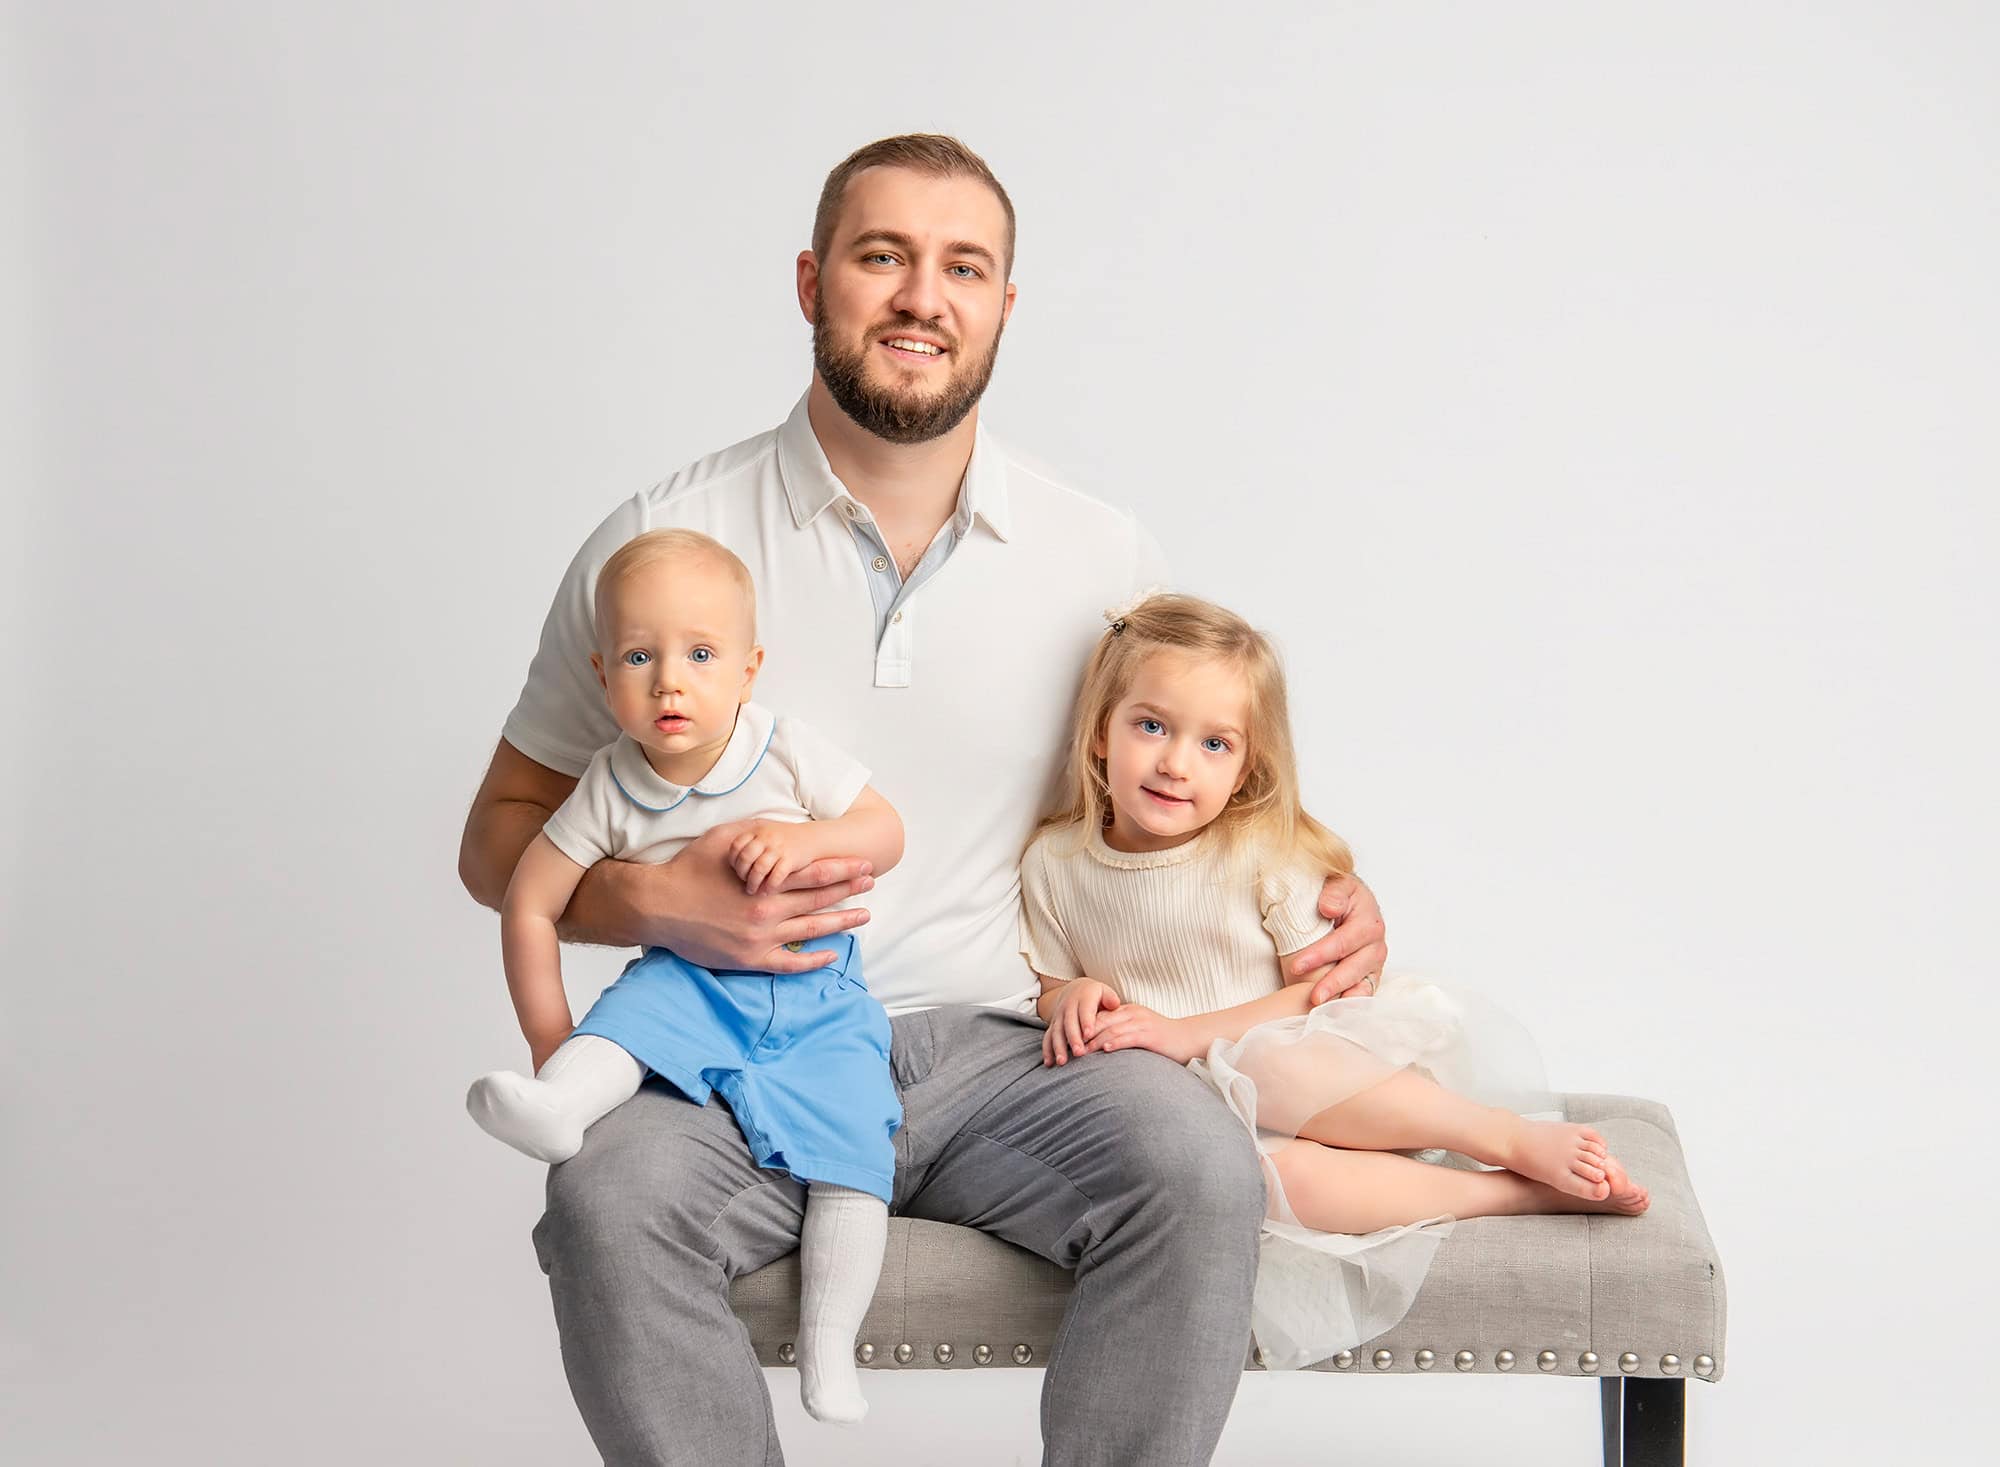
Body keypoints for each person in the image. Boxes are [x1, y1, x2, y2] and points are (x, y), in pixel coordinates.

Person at [457, 133, 1388, 1465]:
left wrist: (1338, 897)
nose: (920, 296)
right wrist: (656, 899)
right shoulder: (661, 541)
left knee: (1196, 1169)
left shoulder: (1101, 552)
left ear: (1007, 304)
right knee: (606, 1198)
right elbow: (499, 834)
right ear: (811, 280)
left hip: (1019, 1051)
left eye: (964, 266)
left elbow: (1205, 784)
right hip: (731, 1052)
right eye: (881, 255)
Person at [1020, 591, 1649, 1369]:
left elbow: (1323, 998)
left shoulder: (1258, 852)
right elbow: (1050, 983)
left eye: (1215, 744)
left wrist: (1184, 1033)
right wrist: (1072, 995)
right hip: (1212, 1119)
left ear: (1247, 765)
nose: (1177, 762)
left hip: (1332, 1082)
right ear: (1100, 733)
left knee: (1270, 1057)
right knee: (1262, 1183)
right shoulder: (1057, 861)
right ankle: (1516, 1193)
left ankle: (1504, 1136)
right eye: (1151, 725)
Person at [465, 527, 905, 1424]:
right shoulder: (610, 784)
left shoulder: (783, 750)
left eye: (701, 654)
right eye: (640, 655)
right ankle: (558, 1105)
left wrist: (806, 838)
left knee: (857, 1154)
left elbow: (884, 831)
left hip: (819, 991)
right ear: (602, 674)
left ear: (748, 668)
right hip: (693, 980)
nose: (671, 680)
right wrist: (554, 1040)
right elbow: (528, 902)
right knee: (630, 1017)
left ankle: (829, 1348)